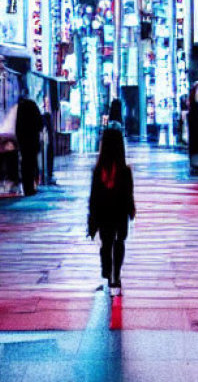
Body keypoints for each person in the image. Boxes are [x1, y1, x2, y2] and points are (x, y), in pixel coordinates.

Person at [87, 125, 136, 292]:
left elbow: (93, 198)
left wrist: (92, 220)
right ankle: (115, 273)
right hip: (120, 213)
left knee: (106, 243)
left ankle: (108, 272)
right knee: (119, 242)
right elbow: (129, 195)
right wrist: (131, 210)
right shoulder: (125, 171)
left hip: (104, 213)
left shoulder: (98, 171)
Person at [15, 93, 43, 196]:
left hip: (23, 142)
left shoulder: (20, 109)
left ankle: (27, 188)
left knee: (25, 164)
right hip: (33, 141)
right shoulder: (33, 107)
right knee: (32, 164)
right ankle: (32, 187)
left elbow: (17, 127)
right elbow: (40, 124)